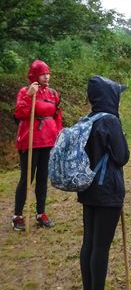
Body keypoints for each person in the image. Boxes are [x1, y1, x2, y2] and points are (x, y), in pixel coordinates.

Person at [78, 75, 129, 290]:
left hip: (88, 188)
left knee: (89, 242)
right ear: (110, 97)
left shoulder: (87, 119)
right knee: (101, 246)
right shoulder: (110, 121)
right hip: (108, 191)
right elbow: (122, 156)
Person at [12, 59, 63, 231]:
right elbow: (19, 113)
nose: (46, 77)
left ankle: (41, 213)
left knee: (42, 178)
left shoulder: (53, 94)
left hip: (48, 140)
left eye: (48, 73)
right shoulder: (25, 91)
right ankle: (18, 216)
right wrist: (29, 96)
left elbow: (57, 116)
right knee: (27, 178)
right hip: (30, 140)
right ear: (34, 75)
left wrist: (58, 137)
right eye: (42, 74)